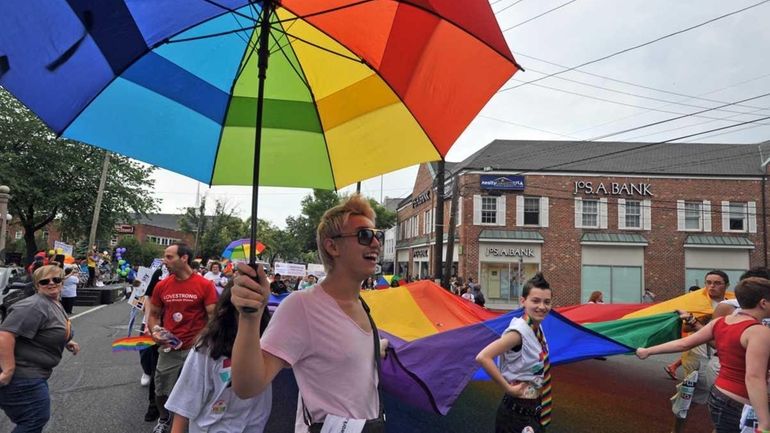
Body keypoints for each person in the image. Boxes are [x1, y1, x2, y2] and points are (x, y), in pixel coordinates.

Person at [230, 194, 388, 432]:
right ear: (332, 246)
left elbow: (340, 356)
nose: (376, 243)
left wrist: (376, 349)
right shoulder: (301, 306)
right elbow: (247, 386)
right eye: (364, 235)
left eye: (378, 235)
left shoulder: (361, 304)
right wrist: (250, 318)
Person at [637, 277, 770, 433]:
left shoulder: (720, 322)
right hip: (740, 400)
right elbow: (754, 377)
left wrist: (648, 351)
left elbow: (684, 343)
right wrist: (764, 422)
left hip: (719, 394)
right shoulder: (759, 332)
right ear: (763, 303)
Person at [165, 284, 272, 433]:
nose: (248, 317)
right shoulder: (207, 349)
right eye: (242, 310)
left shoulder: (269, 347)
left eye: (253, 309)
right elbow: (184, 402)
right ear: (227, 311)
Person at [0, 265, 80, 433]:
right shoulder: (34, 305)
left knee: (34, 419)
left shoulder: (53, 302)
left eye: (56, 279)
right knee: (33, 419)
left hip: (33, 374)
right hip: (22, 376)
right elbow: (5, 335)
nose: (51, 283)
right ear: (37, 285)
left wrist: (66, 341)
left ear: (62, 282)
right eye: (44, 281)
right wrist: (8, 369)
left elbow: (46, 329)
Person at [148, 243, 218, 433]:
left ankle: (196, 421)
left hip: (196, 348)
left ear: (184, 258)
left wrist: (201, 339)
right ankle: (164, 419)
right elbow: (153, 314)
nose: (165, 261)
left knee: (198, 389)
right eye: (165, 256)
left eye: (169, 257)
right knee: (160, 389)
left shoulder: (205, 285)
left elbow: (213, 318)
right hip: (170, 347)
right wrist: (155, 331)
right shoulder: (162, 285)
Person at [476, 273, 554, 432]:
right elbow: (483, 357)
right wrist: (508, 388)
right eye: (536, 301)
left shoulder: (537, 328)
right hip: (517, 411)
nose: (542, 306)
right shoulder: (518, 332)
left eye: (547, 302)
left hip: (534, 408)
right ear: (523, 301)